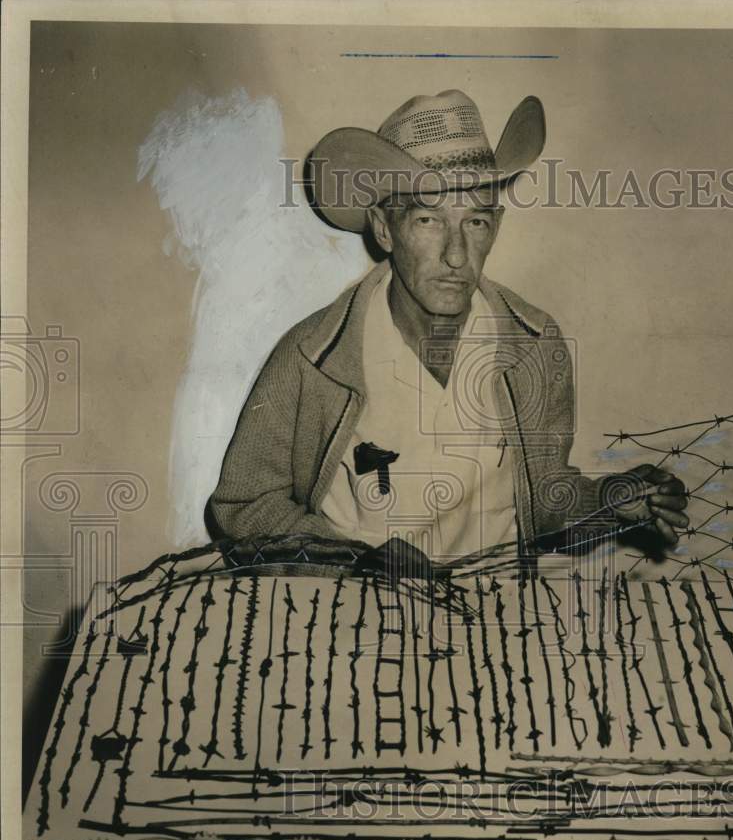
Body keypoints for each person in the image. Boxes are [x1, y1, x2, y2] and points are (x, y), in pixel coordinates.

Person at [210, 90, 688, 577]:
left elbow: (544, 497)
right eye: (428, 220)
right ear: (383, 228)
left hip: (496, 617)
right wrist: (355, 560)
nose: (457, 255)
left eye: (475, 222)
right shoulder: (312, 356)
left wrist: (606, 501)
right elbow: (244, 508)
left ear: (495, 227)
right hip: (352, 614)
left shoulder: (536, 345)